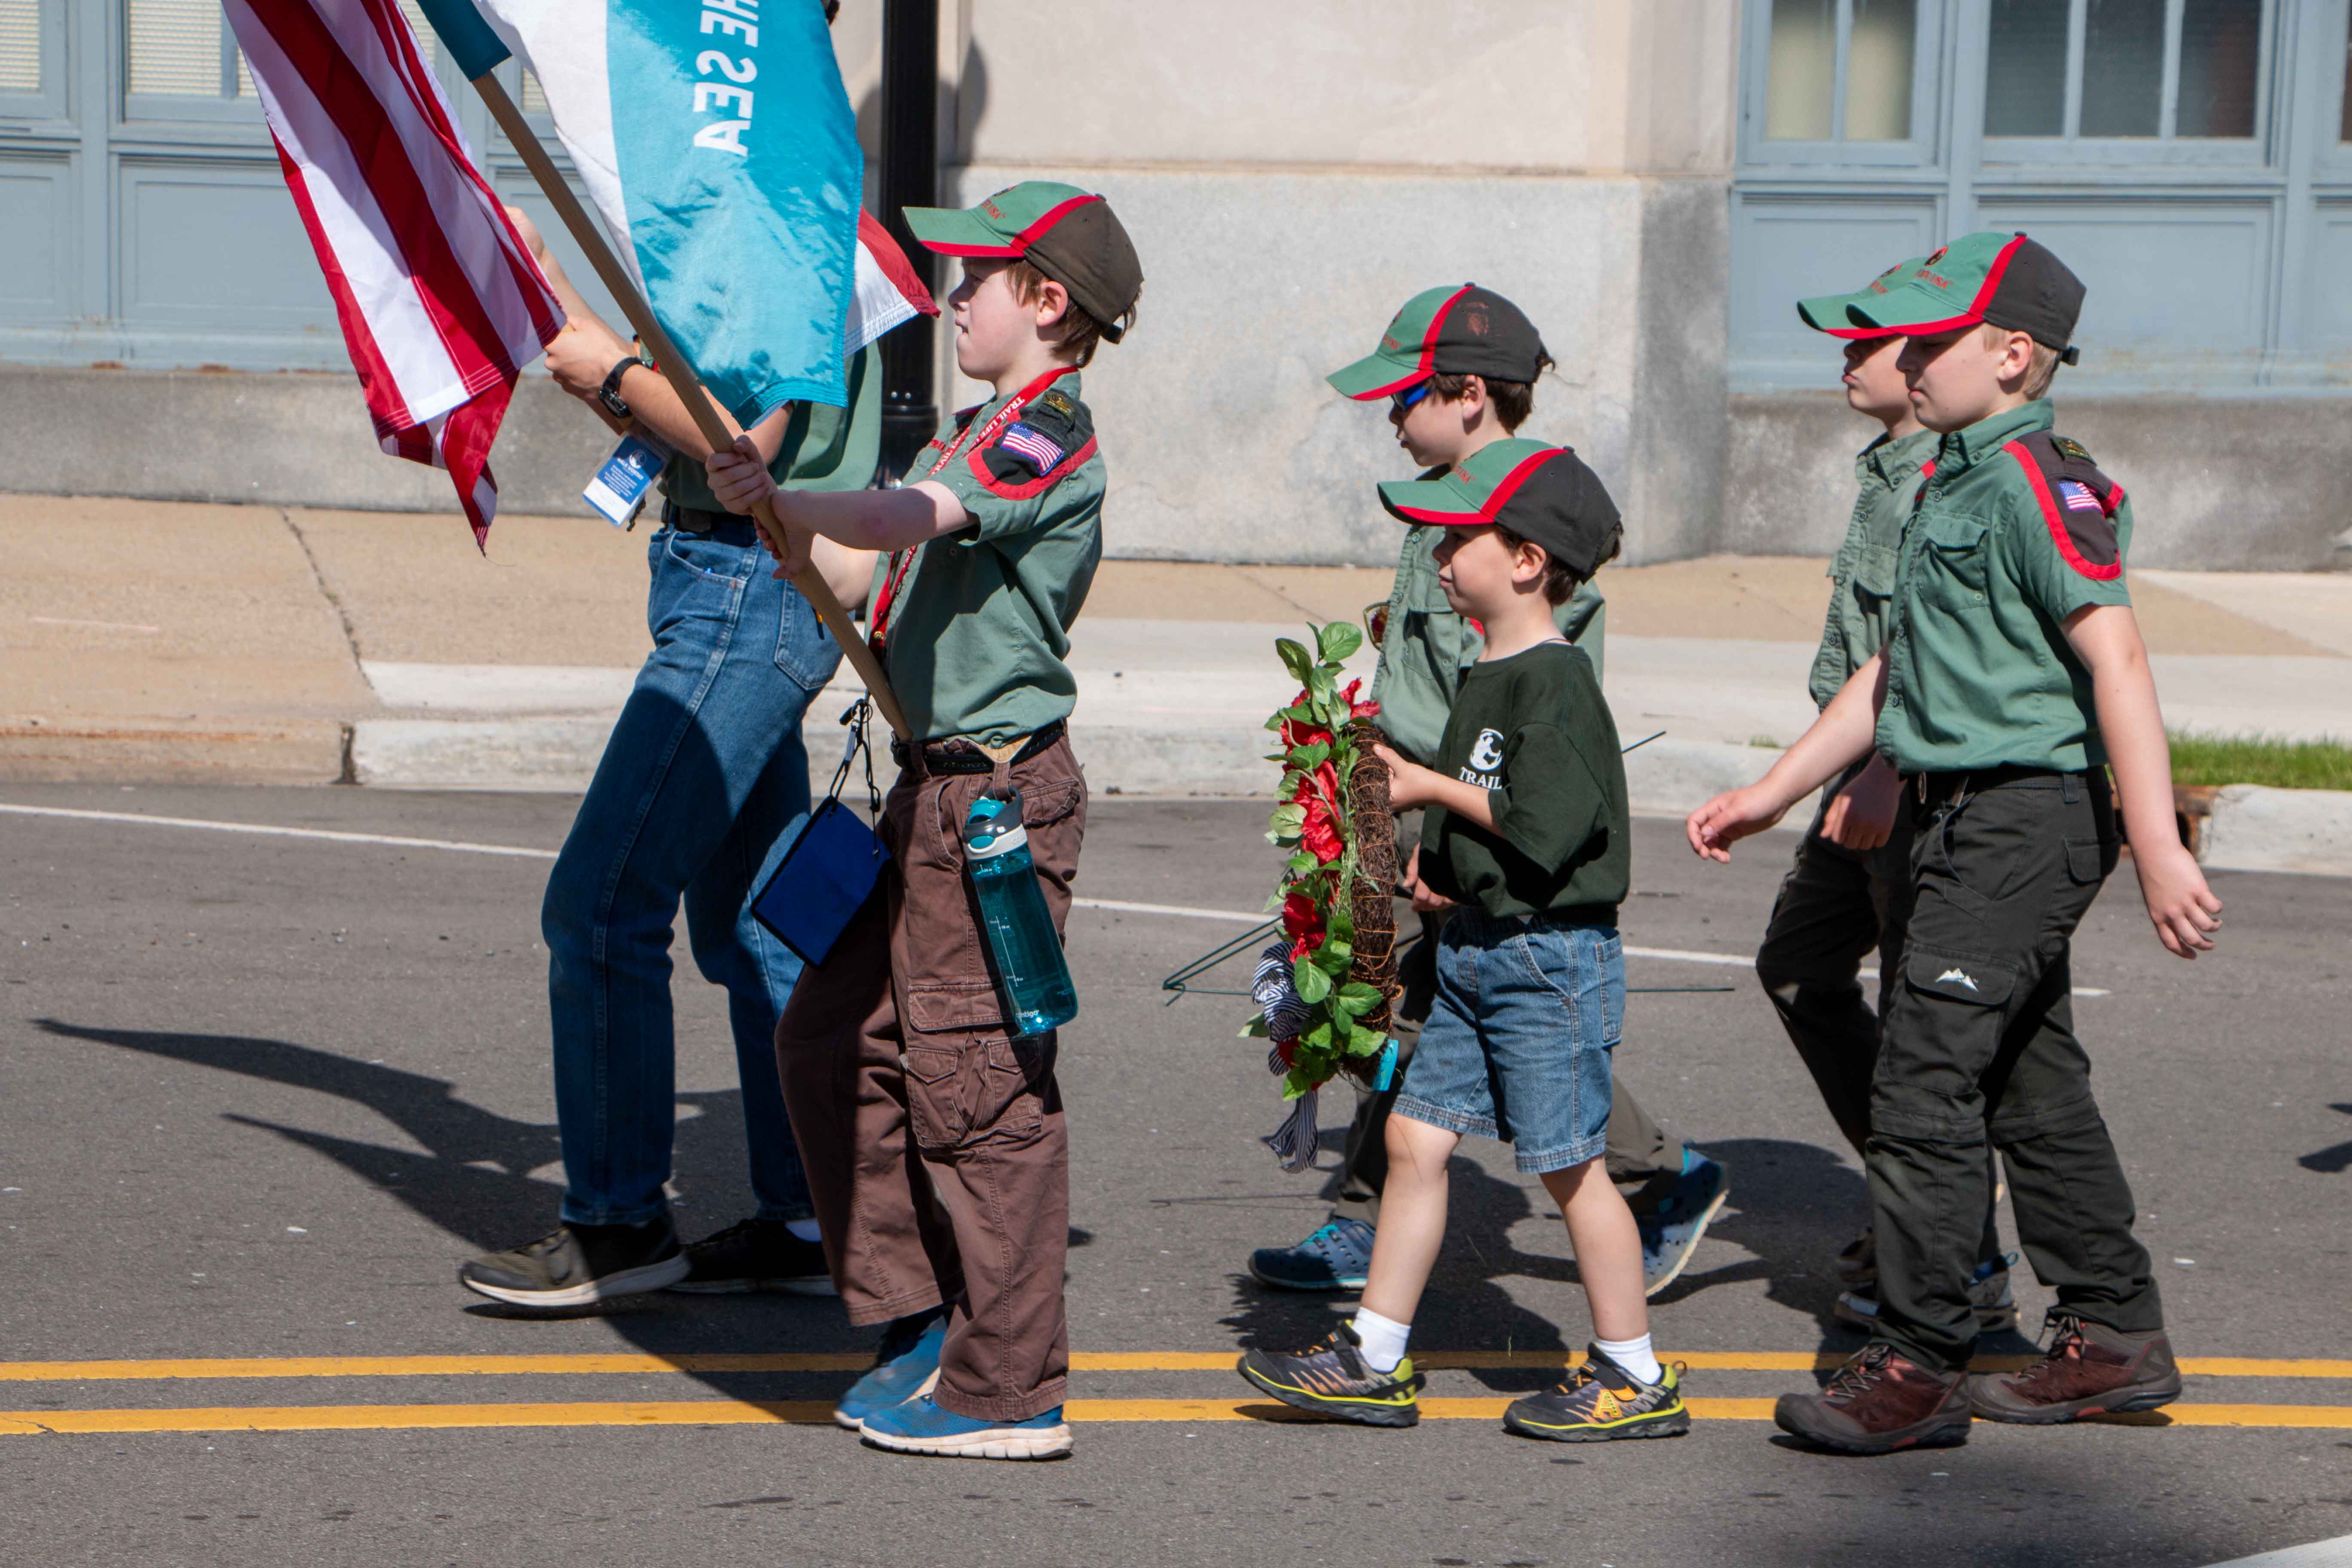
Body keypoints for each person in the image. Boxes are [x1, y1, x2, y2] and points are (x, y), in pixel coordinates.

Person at [1687, 232, 2219, 1455]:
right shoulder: (1948, 479)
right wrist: (1774, 790)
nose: (1908, 362)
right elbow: (1894, 669)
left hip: (2026, 813)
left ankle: (1920, 1363)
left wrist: (2158, 845)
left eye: (1934, 342)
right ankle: (2116, 1334)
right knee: (2027, 1075)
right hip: (1954, 810)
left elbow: (2118, 660)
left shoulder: (2042, 483)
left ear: (2014, 354)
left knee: (1925, 1077)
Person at [704, 181, 1143, 1462]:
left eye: (978, 279)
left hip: (996, 802)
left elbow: (899, 522)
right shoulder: (970, 428)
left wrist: (824, 509)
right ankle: (917, 1315)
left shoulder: (1047, 433)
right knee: (828, 1037)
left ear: (1048, 302)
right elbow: (856, 565)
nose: (953, 297)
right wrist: (775, 506)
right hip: (925, 790)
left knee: (976, 1081)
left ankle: (1010, 1387)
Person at [1248, 284, 1727, 1301]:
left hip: (1461, 804)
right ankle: (1645, 1176)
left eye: (1406, 395)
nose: (1389, 416)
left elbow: (1536, 694)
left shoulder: (1524, 512)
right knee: (1434, 1004)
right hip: (1413, 790)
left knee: (1442, 1010)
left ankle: (1385, 1220)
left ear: (1469, 393)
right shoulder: (1443, 504)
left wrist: (1435, 825)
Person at [456, 214, 882, 1309]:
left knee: (600, 906)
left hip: (747, 590)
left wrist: (607, 369)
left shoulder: (784, 218)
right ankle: (817, 1214)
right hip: (736, 579)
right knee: (759, 927)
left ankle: (618, 1223)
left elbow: (747, 438)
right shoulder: (784, 198)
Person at [1238, 439, 1690, 1442]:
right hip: (1480, 946)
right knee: (1413, 1136)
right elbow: (1486, 811)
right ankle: (1375, 1355)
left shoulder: (1557, 682)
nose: (1441, 557)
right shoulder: (1490, 669)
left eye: (1461, 540)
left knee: (1571, 1165)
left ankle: (1634, 1373)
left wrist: (1431, 790)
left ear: (1527, 560)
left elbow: (1544, 825)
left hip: (1548, 960)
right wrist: (1436, 866)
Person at [1757, 257, 2017, 1335]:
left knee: (1931, 1046)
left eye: (1866, 345)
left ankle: (1960, 1259)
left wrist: (1876, 770)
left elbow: (1930, 649)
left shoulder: (1943, 480)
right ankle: (1915, 1211)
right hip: (1858, 781)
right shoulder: (1888, 467)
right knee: (1799, 969)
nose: (1849, 360)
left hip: (1905, 789)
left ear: (1922, 363)